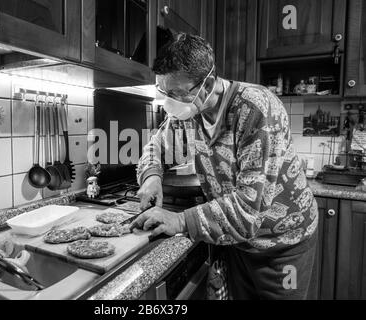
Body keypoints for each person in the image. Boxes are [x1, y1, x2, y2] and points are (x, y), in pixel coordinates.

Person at [131, 33, 318, 300]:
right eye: (162, 91)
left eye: (173, 93)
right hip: (238, 244)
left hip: (282, 245)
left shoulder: (255, 108)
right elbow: (156, 146)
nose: (167, 101)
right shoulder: (188, 110)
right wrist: (151, 176)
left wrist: (180, 220)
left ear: (206, 86)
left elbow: (247, 211)